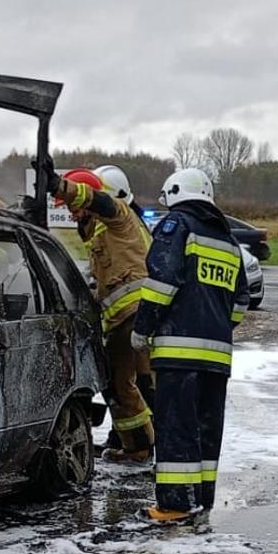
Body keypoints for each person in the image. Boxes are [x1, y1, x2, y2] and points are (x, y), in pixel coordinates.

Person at [132, 167, 249, 525]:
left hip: (178, 353)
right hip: (217, 356)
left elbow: (162, 282)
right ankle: (201, 497)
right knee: (207, 428)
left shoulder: (176, 227)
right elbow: (242, 300)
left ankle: (174, 505)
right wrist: (216, 327)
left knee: (175, 427)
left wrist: (142, 328)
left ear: (176, 195)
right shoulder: (228, 240)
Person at [50, 167, 157, 462]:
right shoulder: (99, 235)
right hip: (123, 321)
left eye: (73, 208)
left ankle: (155, 449)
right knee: (119, 383)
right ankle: (138, 447)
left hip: (139, 315)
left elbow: (102, 204)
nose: (71, 215)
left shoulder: (118, 217)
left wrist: (61, 187)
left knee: (136, 384)